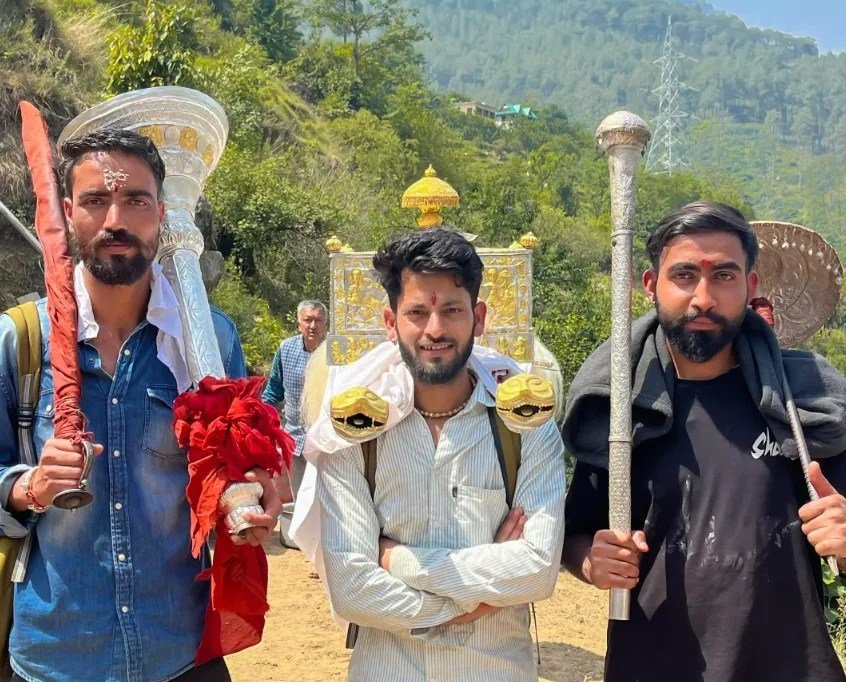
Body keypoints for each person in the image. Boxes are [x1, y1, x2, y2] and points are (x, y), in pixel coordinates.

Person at [0, 129, 279, 682]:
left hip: (181, 651)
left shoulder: (207, 340)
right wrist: (29, 487)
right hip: (58, 656)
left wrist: (252, 483)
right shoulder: (19, 342)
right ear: (68, 212)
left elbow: (231, 463)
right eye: (96, 200)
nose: (115, 221)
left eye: (136, 200)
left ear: (161, 213)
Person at [561, 201, 846, 682]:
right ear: (651, 284)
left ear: (750, 285)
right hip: (651, 668)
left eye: (724, 276)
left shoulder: (803, 403)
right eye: (684, 275)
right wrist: (591, 561)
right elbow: (575, 535)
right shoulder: (619, 408)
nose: (703, 298)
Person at [315, 228, 566, 681]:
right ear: (390, 322)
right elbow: (351, 590)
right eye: (417, 312)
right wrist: (471, 604)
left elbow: (537, 570)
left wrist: (395, 560)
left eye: (452, 310)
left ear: (479, 318)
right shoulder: (354, 432)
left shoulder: (526, 427)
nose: (434, 330)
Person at [263, 300, 327, 498]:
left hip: (327, 441)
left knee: (326, 500)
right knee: (301, 499)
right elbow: (274, 389)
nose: (313, 326)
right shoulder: (286, 349)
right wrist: (259, 416)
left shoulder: (335, 351)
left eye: (318, 320)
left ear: (326, 324)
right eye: (308, 320)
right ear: (299, 323)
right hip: (295, 439)